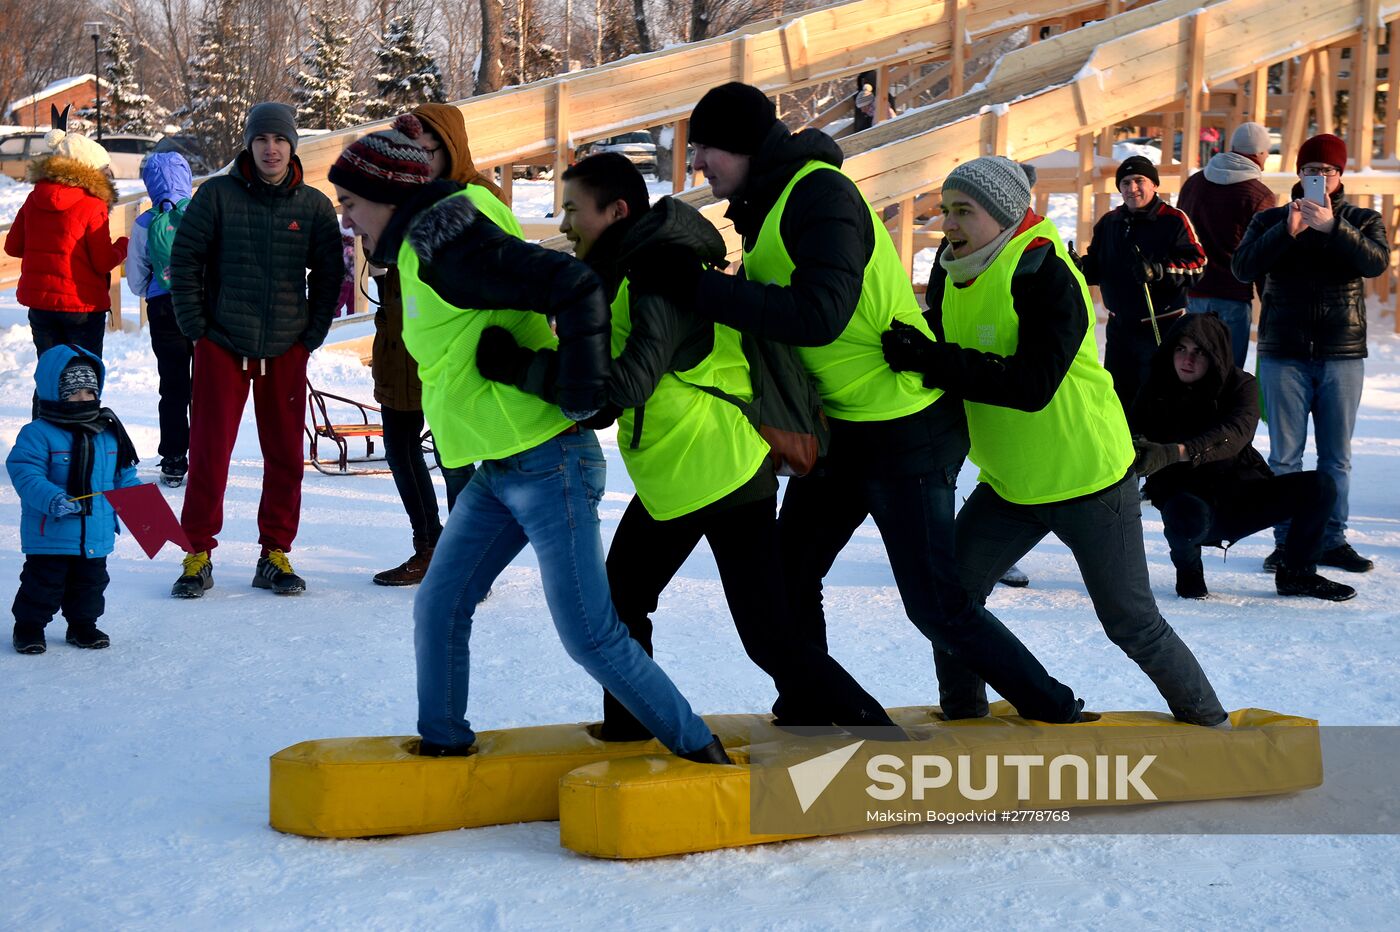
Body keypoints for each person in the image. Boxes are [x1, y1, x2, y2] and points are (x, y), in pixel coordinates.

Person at [635, 82, 1084, 725]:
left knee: (933, 604)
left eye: (706, 147)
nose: (697, 163)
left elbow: (818, 314)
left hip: (907, 430)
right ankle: (815, 703)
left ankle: (1053, 708)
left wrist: (699, 289)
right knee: (791, 572)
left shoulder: (820, 193)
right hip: (844, 430)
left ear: (742, 145)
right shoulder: (767, 202)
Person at [328, 117, 728, 763]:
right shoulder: (416, 245)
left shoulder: (444, 243)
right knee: (439, 604)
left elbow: (571, 285)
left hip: (549, 465)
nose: (349, 221)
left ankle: (700, 750)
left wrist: (578, 388)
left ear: (385, 195)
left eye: (350, 204)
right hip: (499, 467)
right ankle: (444, 748)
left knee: (589, 637)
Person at [483, 151, 897, 737]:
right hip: (677, 470)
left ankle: (878, 736)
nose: (565, 224)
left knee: (765, 635)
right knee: (627, 602)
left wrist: (523, 367)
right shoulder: (623, 270)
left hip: (718, 468)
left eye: (573, 209)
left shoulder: (658, 274)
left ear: (617, 210)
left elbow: (624, 386)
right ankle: (629, 726)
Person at [882, 155, 1227, 726]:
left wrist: (934, 360)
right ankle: (964, 724)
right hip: (1013, 483)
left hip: (1089, 478)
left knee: (1131, 623)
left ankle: (1213, 727)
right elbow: (946, 362)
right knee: (950, 608)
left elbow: (1032, 385)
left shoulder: (1044, 269)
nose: (949, 224)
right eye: (944, 210)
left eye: (963, 211)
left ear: (1002, 213)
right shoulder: (950, 271)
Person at [168, 102, 343, 598]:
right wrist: (196, 328)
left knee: (286, 455)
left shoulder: (311, 205)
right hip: (221, 342)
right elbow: (185, 262)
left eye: (280, 140)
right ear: (249, 144)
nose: (271, 148)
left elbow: (330, 274)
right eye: (262, 139)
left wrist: (310, 335)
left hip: (286, 345)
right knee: (208, 452)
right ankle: (196, 551)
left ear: (292, 147)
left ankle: (274, 553)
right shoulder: (217, 196)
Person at [1233, 133, 1388, 575]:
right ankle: (1286, 542)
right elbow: (1242, 267)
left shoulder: (1362, 219)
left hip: (1342, 353)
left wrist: (1333, 229)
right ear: (1298, 175)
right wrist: (1287, 231)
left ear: (1340, 177)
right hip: (1284, 352)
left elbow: (1375, 262)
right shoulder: (1271, 220)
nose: (1319, 178)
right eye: (1310, 171)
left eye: (1327, 171)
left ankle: (1333, 539)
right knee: (1285, 457)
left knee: (1336, 456)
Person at [1129, 314, 1354, 602]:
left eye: (1199, 352)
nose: (1188, 359)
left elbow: (1235, 433)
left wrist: (1175, 452)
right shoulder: (1155, 389)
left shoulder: (1240, 385)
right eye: (1181, 349)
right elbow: (1130, 434)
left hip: (1242, 493)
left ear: (1215, 354)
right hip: (1190, 504)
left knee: (1320, 486)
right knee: (1182, 509)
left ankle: (1297, 573)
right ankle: (1189, 575)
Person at [7, 346, 140, 654]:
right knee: (43, 584)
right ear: (54, 392)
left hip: (96, 531)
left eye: (89, 392)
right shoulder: (38, 434)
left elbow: (124, 475)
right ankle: (28, 627)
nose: (84, 399)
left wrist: (140, 504)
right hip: (51, 530)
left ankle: (83, 626)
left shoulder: (108, 432)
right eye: (74, 393)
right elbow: (26, 473)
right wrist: (53, 498)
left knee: (91, 585)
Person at [1082, 155, 1207, 411]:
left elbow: (1198, 265)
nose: (1132, 188)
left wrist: (1159, 271)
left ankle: (1156, 449)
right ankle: (1125, 450)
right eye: (1125, 183)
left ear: (1154, 185)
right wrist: (1080, 267)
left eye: (1139, 180)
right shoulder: (1110, 222)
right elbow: (1097, 268)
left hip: (1161, 326)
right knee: (1118, 400)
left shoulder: (1173, 219)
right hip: (1119, 328)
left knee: (1157, 400)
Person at [4, 128, 128, 357]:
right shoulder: (93, 205)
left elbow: (12, 247)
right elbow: (102, 262)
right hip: (82, 307)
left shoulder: (34, 198)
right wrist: (122, 246)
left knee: (50, 376)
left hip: (40, 305)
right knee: (82, 378)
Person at [1177, 122, 1277, 368]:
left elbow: (1178, 234)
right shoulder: (1259, 195)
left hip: (1194, 293)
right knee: (1227, 375)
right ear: (1260, 154)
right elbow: (1263, 254)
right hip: (1233, 295)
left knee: (1194, 373)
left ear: (1232, 147)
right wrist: (1271, 302)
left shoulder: (1194, 184)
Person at [127, 150, 196, 488]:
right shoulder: (202, 213)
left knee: (173, 386)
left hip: (163, 309)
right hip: (202, 307)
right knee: (207, 386)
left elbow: (136, 276)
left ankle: (172, 459)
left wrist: (152, 290)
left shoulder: (144, 222)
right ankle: (207, 454)